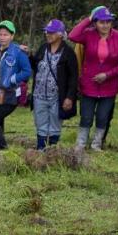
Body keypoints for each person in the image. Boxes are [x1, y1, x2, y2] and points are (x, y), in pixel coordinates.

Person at [68, 7, 118, 151]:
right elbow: (72, 35)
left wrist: (107, 75)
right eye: (101, 22)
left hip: (109, 85)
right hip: (89, 84)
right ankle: (81, 144)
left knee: (103, 117)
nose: (105, 25)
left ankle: (96, 144)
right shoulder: (88, 35)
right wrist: (89, 18)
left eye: (108, 22)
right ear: (95, 23)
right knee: (86, 117)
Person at [29, 20, 78, 150]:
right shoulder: (43, 48)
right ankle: (40, 151)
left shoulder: (68, 53)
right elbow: (35, 65)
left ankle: (52, 151)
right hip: (39, 94)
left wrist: (69, 97)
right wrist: (29, 56)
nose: (48, 34)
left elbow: (74, 77)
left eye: (52, 32)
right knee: (41, 125)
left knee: (55, 126)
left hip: (57, 96)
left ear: (61, 34)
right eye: (47, 31)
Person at [0, 21, 32, 150]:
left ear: (12, 35)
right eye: (0, 34)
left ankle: (4, 148)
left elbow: (27, 71)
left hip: (10, 95)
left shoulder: (18, 52)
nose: (2, 37)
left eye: (6, 34)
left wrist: (13, 79)